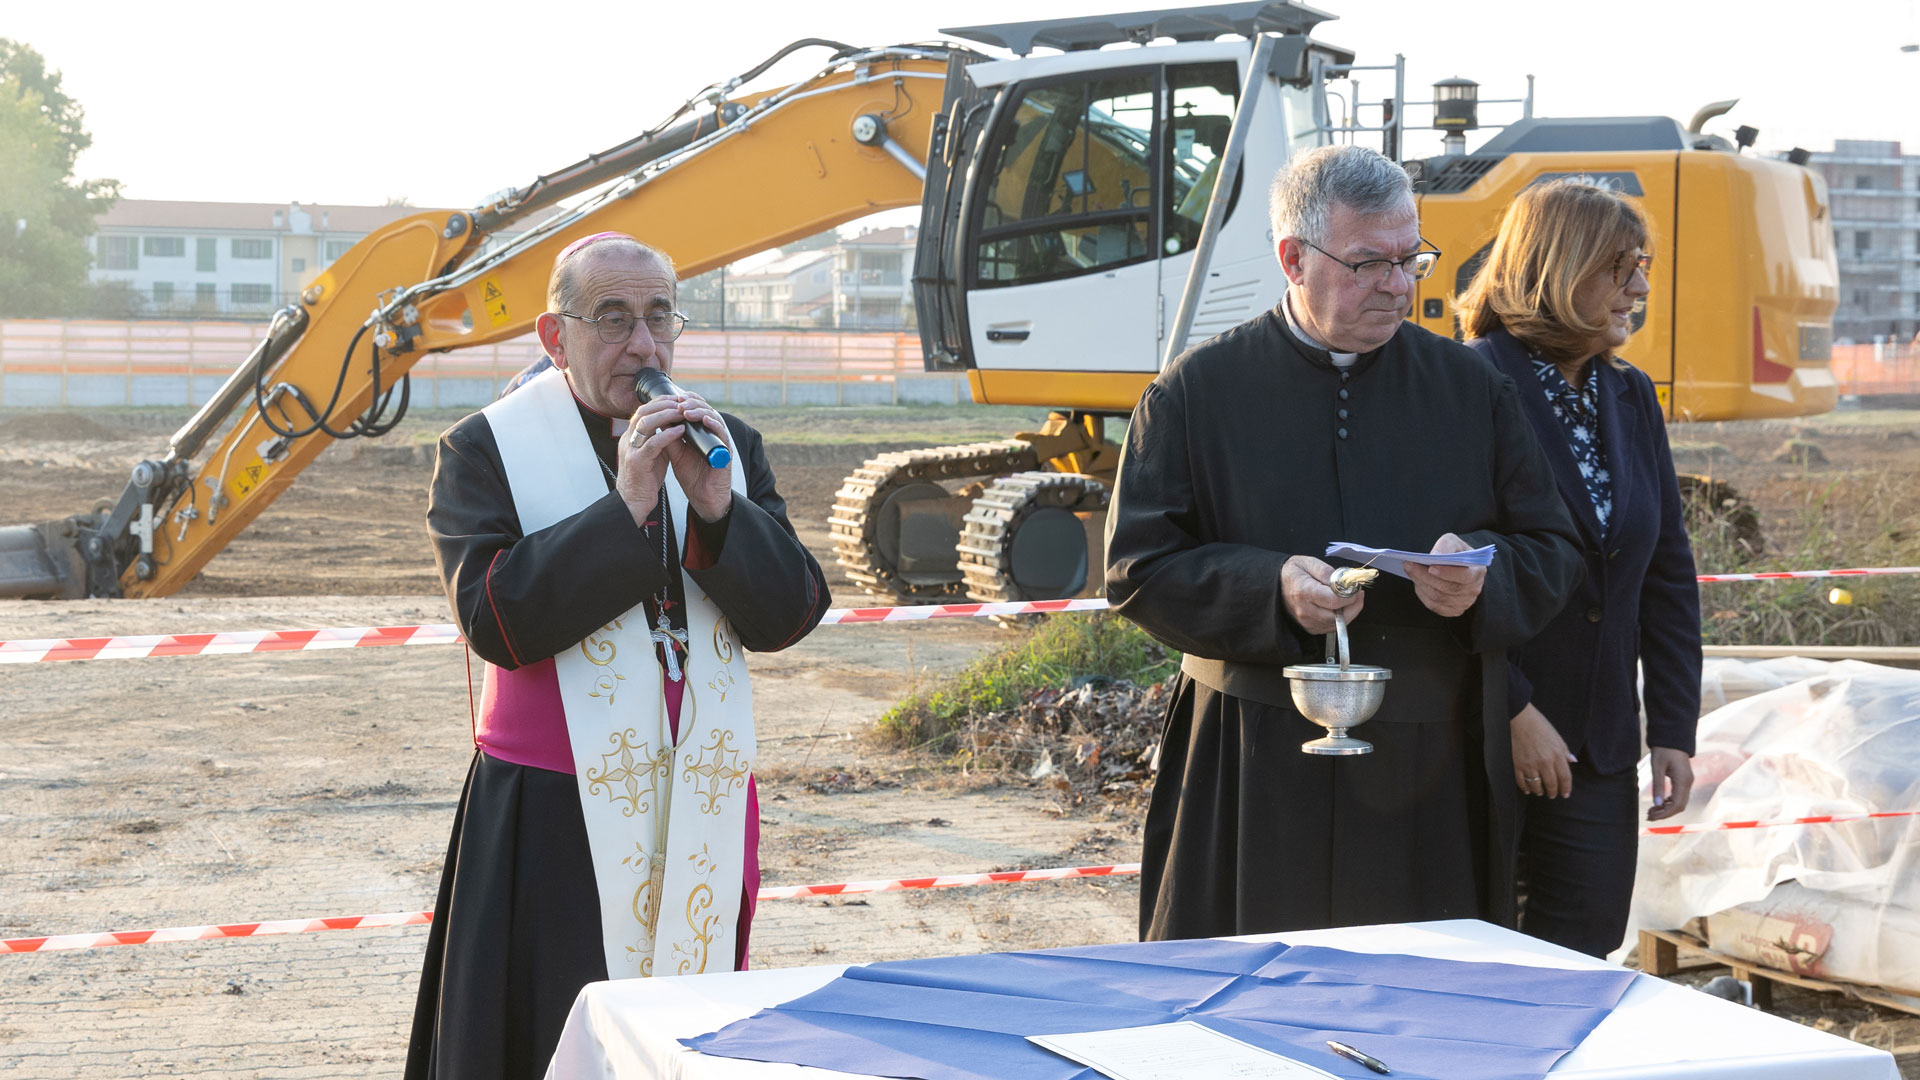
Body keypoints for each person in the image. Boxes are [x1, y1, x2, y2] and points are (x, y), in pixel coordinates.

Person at [1105, 144, 1583, 941]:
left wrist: (1480, 579)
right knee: (1240, 1012)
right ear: (1294, 258)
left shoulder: (1471, 390)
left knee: (1419, 1008)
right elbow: (1138, 568)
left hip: (1428, 764)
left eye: (1411, 260)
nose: (1398, 286)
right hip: (1253, 760)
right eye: (1368, 264)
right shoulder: (1197, 391)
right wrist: (1269, 588)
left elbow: (1551, 546)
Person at [406, 232, 830, 1080]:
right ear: (554, 337)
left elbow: (790, 614)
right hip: (553, 812)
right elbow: (494, 619)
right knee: (545, 1025)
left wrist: (718, 512)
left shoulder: (724, 444)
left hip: (699, 794)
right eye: (612, 319)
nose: (643, 344)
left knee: (685, 1032)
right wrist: (627, 506)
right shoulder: (486, 449)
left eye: (659, 317)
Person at [1456, 179, 1701, 958]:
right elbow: (1443, 574)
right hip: (1486, 735)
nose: (1640, 287)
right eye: (1618, 267)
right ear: (1557, 270)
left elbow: (1665, 570)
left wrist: (1671, 727)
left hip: (1598, 743)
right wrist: (1513, 709)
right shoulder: (1467, 385)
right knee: (1480, 958)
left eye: (1643, 266)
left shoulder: (1630, 396)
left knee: (1582, 952)